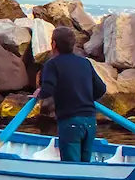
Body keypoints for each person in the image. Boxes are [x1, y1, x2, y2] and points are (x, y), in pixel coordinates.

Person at [35, 25, 109, 162]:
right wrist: (83, 96)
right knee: (85, 163)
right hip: (90, 121)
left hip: (70, 122)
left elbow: (47, 90)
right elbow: (101, 89)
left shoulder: (53, 64)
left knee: (71, 165)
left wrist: (38, 93)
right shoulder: (85, 63)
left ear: (54, 44)